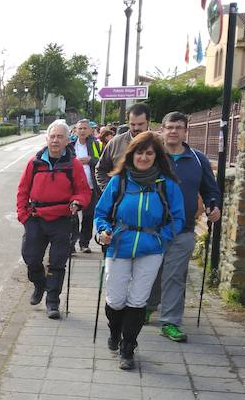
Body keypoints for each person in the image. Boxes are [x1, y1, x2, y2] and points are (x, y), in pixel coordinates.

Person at [94, 131, 185, 370]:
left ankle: (128, 346)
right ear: (131, 154)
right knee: (115, 300)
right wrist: (103, 231)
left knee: (137, 299)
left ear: (156, 156)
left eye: (149, 153)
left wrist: (160, 239)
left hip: (151, 248)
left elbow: (177, 218)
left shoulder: (167, 184)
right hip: (119, 244)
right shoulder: (120, 180)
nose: (143, 157)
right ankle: (115, 333)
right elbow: (101, 212)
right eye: (139, 152)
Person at [145, 111, 221, 341]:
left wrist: (213, 205)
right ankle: (147, 306)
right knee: (152, 271)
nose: (173, 131)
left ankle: (170, 321)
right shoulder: (152, 157)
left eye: (178, 127)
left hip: (183, 228)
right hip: (152, 228)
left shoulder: (198, 159)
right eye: (169, 127)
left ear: (185, 131)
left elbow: (210, 189)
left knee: (175, 275)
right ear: (162, 130)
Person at [16, 120, 91, 319]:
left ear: (68, 140)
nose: (55, 140)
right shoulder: (35, 162)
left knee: (58, 262)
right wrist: (23, 216)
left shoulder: (72, 164)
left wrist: (77, 202)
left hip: (62, 219)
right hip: (36, 218)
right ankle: (40, 284)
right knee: (31, 258)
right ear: (46, 139)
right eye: (52, 136)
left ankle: (52, 301)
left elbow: (83, 191)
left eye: (60, 137)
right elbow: (22, 190)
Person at [95, 103, 150, 190]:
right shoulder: (115, 143)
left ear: (148, 121)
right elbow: (100, 170)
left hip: (151, 199)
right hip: (121, 200)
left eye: (140, 124)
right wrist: (110, 192)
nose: (136, 128)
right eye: (132, 124)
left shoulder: (159, 142)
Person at [68, 119, 103, 253]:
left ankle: (84, 243)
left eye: (85, 128)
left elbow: (103, 162)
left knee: (88, 217)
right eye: (80, 128)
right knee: (72, 216)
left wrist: (90, 160)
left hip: (91, 187)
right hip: (73, 188)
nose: (82, 131)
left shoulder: (97, 145)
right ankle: (71, 243)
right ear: (75, 130)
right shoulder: (70, 145)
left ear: (90, 130)